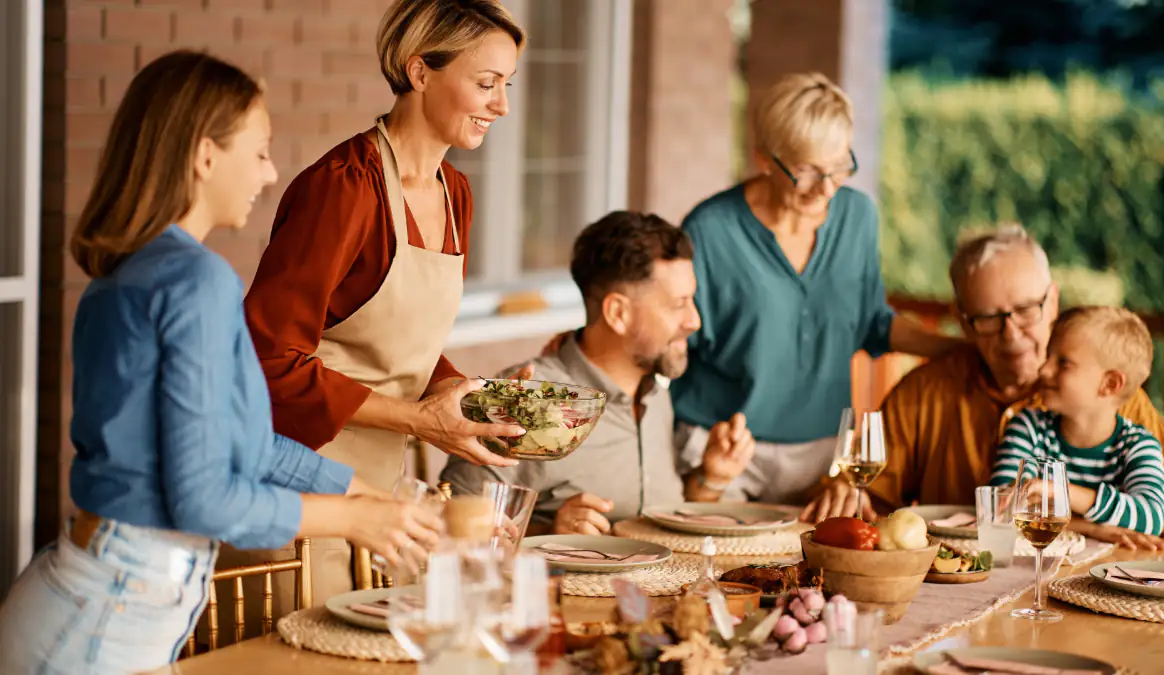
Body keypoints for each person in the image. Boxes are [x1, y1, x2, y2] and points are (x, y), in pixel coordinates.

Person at [0, 51, 441, 674]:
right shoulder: (195, 279)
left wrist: (362, 491)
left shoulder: (134, 269)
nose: (270, 172)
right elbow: (207, 500)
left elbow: (248, 445)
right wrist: (352, 518)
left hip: (88, 592)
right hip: (104, 619)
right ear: (206, 156)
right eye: (259, 151)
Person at [239, 0, 526, 606]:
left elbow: (399, 341)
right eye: (486, 84)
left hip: (387, 493)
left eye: (507, 86)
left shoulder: (456, 193)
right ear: (420, 72)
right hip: (301, 489)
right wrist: (421, 421)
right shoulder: (342, 189)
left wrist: (461, 396)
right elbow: (264, 361)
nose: (502, 105)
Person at [803, 224, 1164, 550]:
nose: (1012, 335)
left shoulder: (1116, 402)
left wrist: (1077, 524)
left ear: (1054, 301)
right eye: (989, 318)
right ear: (963, 321)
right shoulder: (923, 392)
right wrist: (847, 495)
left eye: (1027, 310)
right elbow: (871, 502)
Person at [669, 72, 960, 505]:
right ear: (765, 159)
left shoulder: (857, 217)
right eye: (806, 171)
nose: (826, 189)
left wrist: (959, 351)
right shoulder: (709, 231)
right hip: (721, 450)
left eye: (839, 167)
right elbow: (672, 344)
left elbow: (873, 323)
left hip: (822, 454)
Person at [440, 212, 755, 534]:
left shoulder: (656, 393)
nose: (694, 321)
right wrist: (549, 532)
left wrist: (710, 478)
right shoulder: (524, 396)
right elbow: (451, 520)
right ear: (618, 313)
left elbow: (657, 515)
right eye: (679, 304)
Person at [992, 307, 1164, 538]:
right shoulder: (1027, 427)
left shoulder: (1138, 445)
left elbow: (1151, 518)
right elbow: (1004, 509)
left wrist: (1059, 493)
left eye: (1063, 363)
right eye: (1048, 356)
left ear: (1110, 384)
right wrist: (1094, 529)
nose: (1043, 370)